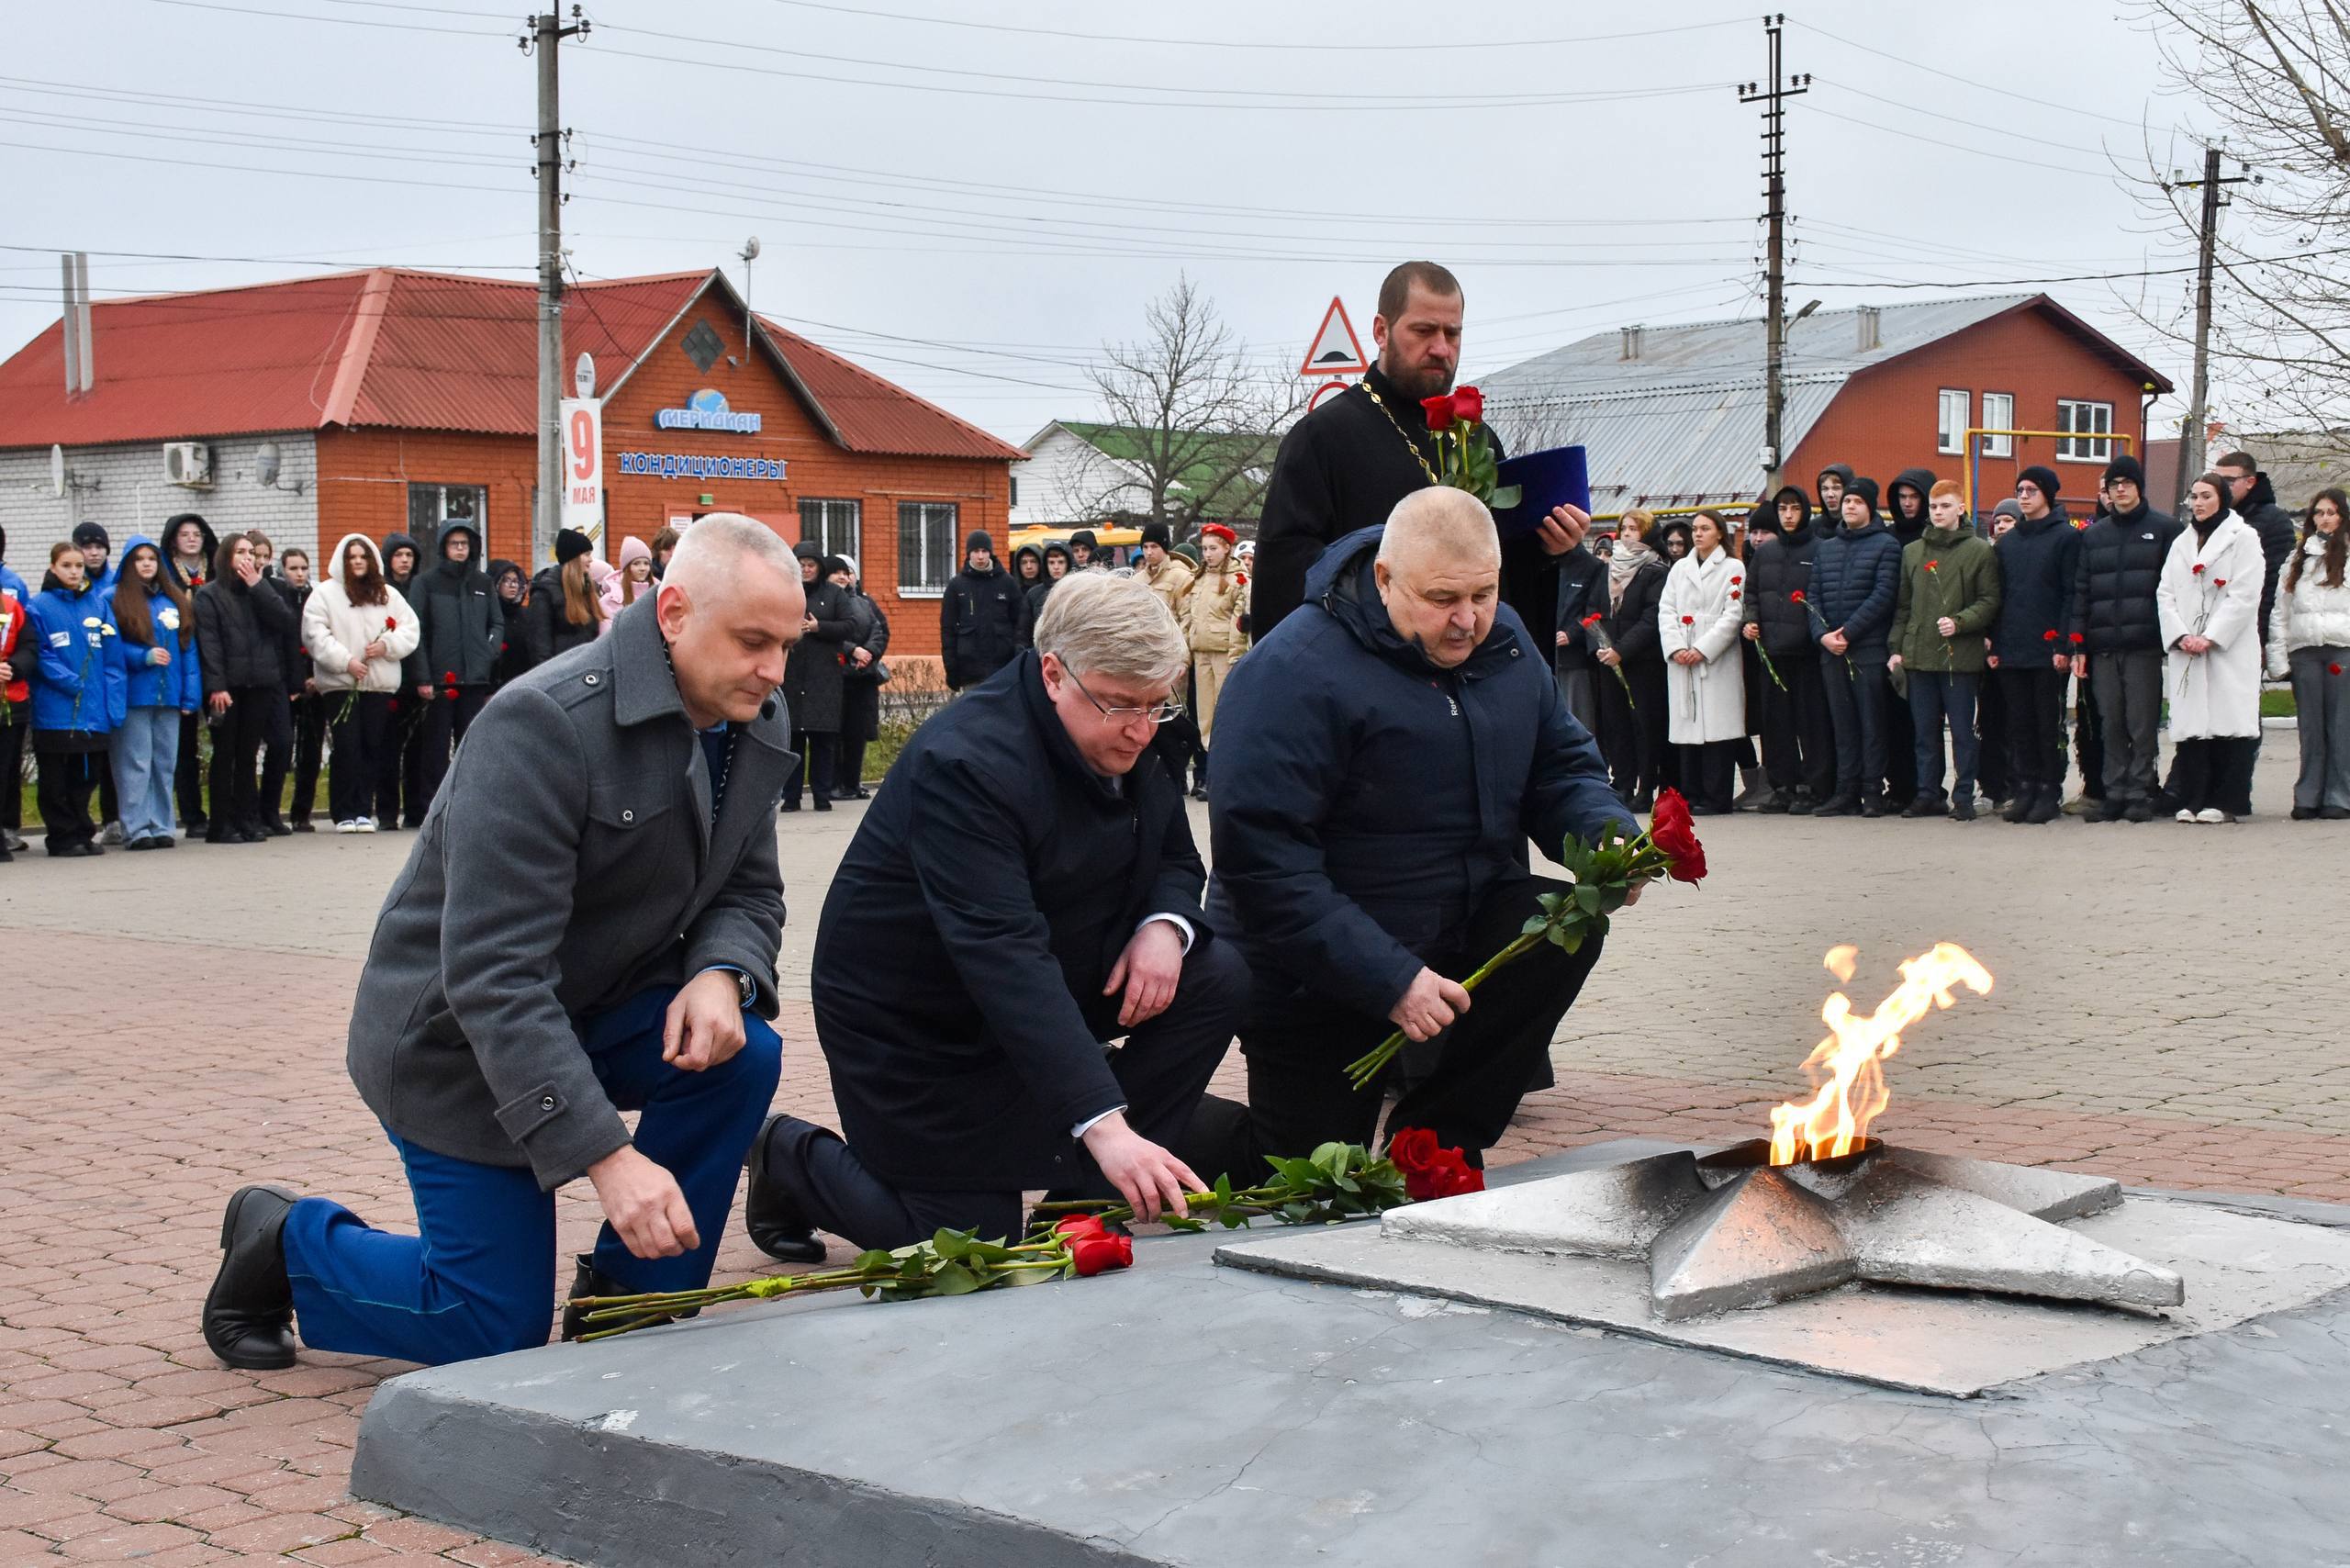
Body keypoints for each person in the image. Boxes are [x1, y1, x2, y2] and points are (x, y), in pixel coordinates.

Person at [203, 515, 801, 1370]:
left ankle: (635, 1298)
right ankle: (286, 1242)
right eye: (753, 641)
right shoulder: (544, 724)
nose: (775, 671)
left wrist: (720, 972)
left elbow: (748, 888)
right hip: (459, 1048)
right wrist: (607, 1157)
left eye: (787, 642)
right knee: (489, 1326)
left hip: (592, 1010)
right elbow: (492, 977)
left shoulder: (755, 716)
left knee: (743, 1053)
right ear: (672, 612)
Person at [739, 569, 1239, 1259]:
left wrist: (1162, 928)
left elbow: (1177, 861)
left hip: (1049, 977)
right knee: (967, 1243)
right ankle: (787, 1155)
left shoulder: (1136, 727)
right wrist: (1104, 1120)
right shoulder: (967, 763)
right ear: (1055, 673)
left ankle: (1089, 1185)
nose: (1141, 731)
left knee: (1215, 972)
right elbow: (1003, 953)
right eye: (1122, 705)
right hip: (922, 1026)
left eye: (1158, 706)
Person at [1206, 487, 1632, 1168]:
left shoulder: (1507, 641)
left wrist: (1602, 832)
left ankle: (1433, 1142)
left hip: (1459, 920)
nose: (1468, 622)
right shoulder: (1291, 672)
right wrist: (1388, 978)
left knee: (1562, 929)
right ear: (1383, 578)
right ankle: (1147, 1132)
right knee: (1305, 1175)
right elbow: (1262, 864)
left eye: (1483, 594)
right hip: (1316, 969)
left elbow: (1559, 764)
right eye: (1442, 601)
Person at [1253, 261, 1585, 643]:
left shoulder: (1477, 439)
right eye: (1424, 331)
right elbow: (1287, 579)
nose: (1441, 348)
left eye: (1453, 333)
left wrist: (1546, 549)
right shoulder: (1322, 437)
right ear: (1381, 331)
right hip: (1368, 675)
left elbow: (1501, 572)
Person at [2071, 454, 2183, 823]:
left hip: (2144, 644)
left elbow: (2175, 588)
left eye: (2127, 483)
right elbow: (2082, 591)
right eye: (2113, 484)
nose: (2120, 489)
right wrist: (2078, 644)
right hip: (2102, 645)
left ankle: (2140, 791)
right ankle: (2114, 791)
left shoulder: (2166, 529)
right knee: (2111, 722)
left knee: (2142, 721)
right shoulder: (2093, 535)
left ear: (2138, 487)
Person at [1888, 481, 2000, 821]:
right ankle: (1927, 794)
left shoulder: (1980, 551)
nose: (1938, 512)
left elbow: (1990, 599)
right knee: (1924, 733)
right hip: (1919, 654)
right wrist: (1896, 648)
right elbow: (1903, 607)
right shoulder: (1912, 552)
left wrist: (1961, 622)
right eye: (1934, 507)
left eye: (1945, 506)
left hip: (1959, 657)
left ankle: (1963, 794)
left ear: (1961, 508)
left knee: (1963, 731)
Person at [2158, 474, 2266, 823]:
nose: (2199, 503)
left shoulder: (2244, 537)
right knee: (2193, 725)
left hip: (2227, 649)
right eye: (2194, 497)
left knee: (2227, 721)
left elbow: (2246, 594)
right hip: (2187, 647)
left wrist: (2212, 636)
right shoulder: (2182, 542)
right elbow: (2166, 593)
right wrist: (2181, 634)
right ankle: (2193, 797)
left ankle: (2225, 801)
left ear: (2222, 498)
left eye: (2206, 496)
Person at [305, 535, 420, 834]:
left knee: (372, 746)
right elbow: (315, 635)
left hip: (378, 683)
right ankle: (344, 810)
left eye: (362, 556)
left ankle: (362, 810)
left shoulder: (388, 594)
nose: (357, 561)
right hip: (342, 683)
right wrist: (346, 662)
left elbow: (410, 629)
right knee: (347, 746)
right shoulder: (325, 594)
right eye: (352, 557)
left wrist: (387, 645)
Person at [1988, 467, 2080, 825]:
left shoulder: (2065, 539)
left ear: (2048, 495)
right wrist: (1994, 642)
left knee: (2047, 722)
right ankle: (2024, 786)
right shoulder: (2008, 543)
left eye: (2032, 490)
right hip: (2012, 645)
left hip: (2048, 649)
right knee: (2018, 723)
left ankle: (2048, 788)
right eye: (2020, 490)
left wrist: (2064, 642)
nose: (2024, 496)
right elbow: (2000, 595)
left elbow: (2071, 593)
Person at [192, 533, 293, 845]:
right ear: (226, 557)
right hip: (229, 687)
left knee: (248, 756)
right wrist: (216, 686)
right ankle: (221, 824)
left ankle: (248, 820)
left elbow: (285, 622)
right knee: (226, 755)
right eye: (240, 552)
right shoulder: (209, 595)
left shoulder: (261, 590)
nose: (248, 558)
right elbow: (209, 643)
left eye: (251, 552)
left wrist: (257, 586)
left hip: (260, 683)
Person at [1810, 476, 1899, 816]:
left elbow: (1883, 595)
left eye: (1857, 502)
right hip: (1831, 651)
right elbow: (1813, 596)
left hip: (1868, 649)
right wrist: (1822, 635)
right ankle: (1846, 791)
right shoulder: (1827, 547)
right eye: (1846, 501)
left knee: (1872, 724)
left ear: (1870, 507)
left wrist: (1847, 632)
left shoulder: (1886, 545)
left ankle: (1872, 791)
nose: (1849, 506)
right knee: (1842, 724)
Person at [26, 543, 122, 857]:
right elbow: (39, 653)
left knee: (87, 774)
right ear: (53, 568)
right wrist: (70, 681)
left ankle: (83, 831)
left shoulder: (97, 605)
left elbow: (112, 656)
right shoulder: (38, 606)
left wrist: (111, 699)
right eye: (66, 565)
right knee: (56, 778)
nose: (74, 571)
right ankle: (61, 836)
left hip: (93, 710)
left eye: (78, 566)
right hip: (56, 709)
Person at [108, 537, 202, 850]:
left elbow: (187, 650)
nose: (146, 564)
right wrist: (141, 657)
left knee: (164, 762)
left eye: (151, 558)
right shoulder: (114, 598)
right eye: (139, 559)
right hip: (135, 696)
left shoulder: (173, 599)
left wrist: (191, 695)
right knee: (135, 762)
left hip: (169, 696)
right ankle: (136, 827)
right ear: (127, 565)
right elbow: (109, 648)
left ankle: (162, 824)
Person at [1744, 486, 1832, 813]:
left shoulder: (1820, 549)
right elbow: (1751, 593)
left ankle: (1814, 786)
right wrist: (1751, 621)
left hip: (1807, 653)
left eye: (1795, 508)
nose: (1789, 515)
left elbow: (1823, 597)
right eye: (1783, 509)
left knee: (1811, 723)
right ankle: (1782, 786)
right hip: (1771, 652)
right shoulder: (1766, 553)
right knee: (1775, 724)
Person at [409, 520, 503, 812]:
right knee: (435, 749)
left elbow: (496, 623)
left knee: (472, 746)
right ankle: (432, 807)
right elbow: (418, 631)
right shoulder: (425, 583)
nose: (460, 549)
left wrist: (487, 652)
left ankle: (468, 805)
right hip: (439, 681)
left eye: (465, 544)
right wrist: (423, 677)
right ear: (443, 547)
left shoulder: (483, 583)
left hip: (474, 679)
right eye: (454, 544)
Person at [1658, 510, 1747, 813]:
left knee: (1716, 729)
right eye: (1695, 528)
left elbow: (1732, 615)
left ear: (1719, 533)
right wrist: (1676, 647)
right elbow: (1666, 609)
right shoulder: (1679, 569)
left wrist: (1702, 647)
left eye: (1705, 528)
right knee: (1688, 726)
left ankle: (1717, 796)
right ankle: (1691, 794)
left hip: (1715, 659)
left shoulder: (1733, 568)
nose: (1697, 534)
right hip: (1682, 657)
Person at [2269, 488, 2350, 819]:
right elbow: (2281, 611)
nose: (2325, 518)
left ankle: (2339, 796)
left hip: (2342, 652)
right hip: (2305, 652)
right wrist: (2278, 658)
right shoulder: (2297, 559)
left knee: (2341, 727)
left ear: (2343, 517)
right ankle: (2308, 795)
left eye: (2331, 512)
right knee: (2311, 729)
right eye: (2319, 512)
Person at [1591, 512, 1671, 809]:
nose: (1626, 534)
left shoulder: (1655, 571)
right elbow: (1592, 609)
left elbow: (1652, 618)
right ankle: (1622, 783)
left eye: (1634, 529)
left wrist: (1622, 650)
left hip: (1643, 662)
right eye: (1623, 528)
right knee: (1616, 725)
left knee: (1644, 725)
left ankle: (1645, 786)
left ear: (1648, 534)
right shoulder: (1607, 569)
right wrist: (1599, 645)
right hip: (1608, 660)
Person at [1880, 467, 1938, 807]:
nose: (1907, 504)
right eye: (1901, 497)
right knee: (1893, 721)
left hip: (1928, 641)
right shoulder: (1889, 538)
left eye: (1914, 497)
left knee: (1925, 723)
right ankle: (1898, 786)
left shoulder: (1934, 538)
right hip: (1892, 641)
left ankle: (1927, 788)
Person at [781, 544, 854, 812]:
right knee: (793, 741)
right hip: (791, 675)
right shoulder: (785, 591)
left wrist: (818, 627)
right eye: (801, 564)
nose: (806, 569)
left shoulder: (834, 594)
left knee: (823, 741)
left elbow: (849, 625)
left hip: (824, 677)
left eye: (811, 564)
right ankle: (791, 797)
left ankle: (822, 796)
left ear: (819, 567)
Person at [1183, 524, 1250, 801]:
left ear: (1226, 548)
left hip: (1224, 654)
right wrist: (1184, 650)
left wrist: (1236, 657)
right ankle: (1211, 775)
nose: (1207, 554)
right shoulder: (1199, 579)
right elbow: (1190, 617)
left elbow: (1240, 623)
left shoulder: (1238, 579)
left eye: (1213, 548)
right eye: (1204, 549)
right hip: (1201, 654)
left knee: (1225, 716)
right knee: (1204, 720)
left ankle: (1229, 776)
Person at [2214, 450, 2299, 657]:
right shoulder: (2214, 517)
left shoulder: (2274, 520)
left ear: (2250, 481)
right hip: (2213, 623)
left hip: (2250, 626)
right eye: (2218, 480)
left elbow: (2274, 582)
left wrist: (2262, 634)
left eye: (2229, 481)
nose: (2221, 487)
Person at [273, 547, 326, 831]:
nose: (300, 574)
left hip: (316, 683)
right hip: (286, 684)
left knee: (311, 751)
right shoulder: (278, 597)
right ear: (283, 570)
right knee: (282, 748)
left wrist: (316, 676)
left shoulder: (316, 598)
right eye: (293, 568)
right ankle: (271, 810)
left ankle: (301, 812)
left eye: (304, 568)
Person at [833, 554, 889, 801]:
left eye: (849, 572)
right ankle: (833, 784)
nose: (845, 576)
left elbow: (880, 630)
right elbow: (827, 634)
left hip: (863, 677)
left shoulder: (866, 603)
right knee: (834, 734)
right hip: (836, 678)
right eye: (839, 572)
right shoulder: (825, 603)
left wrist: (868, 653)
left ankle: (853, 783)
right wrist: (852, 650)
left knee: (857, 733)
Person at [939, 530, 1025, 692]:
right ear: (968, 554)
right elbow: (947, 630)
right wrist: (951, 667)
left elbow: (1020, 624)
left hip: (1003, 668)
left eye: (984, 551)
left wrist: (1017, 654)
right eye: (976, 551)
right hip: (970, 671)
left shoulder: (1007, 583)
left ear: (990, 554)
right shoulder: (956, 586)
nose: (980, 556)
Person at [522, 529, 604, 673]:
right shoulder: (545, 591)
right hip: (559, 674)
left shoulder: (588, 588)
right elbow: (540, 643)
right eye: (586, 555)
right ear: (573, 558)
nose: (591, 560)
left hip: (584, 671)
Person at [0, 571, 25, 860]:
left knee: (6, 770)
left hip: (10, 701)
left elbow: (30, 646)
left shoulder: (10, 606)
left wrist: (14, 667)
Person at [487, 558, 532, 687]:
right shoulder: (488, 616)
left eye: (516, 581)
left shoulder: (526, 614)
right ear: (496, 583)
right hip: (497, 687)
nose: (513, 585)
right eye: (506, 580)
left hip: (524, 684)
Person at [1025, 540, 1072, 632]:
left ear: (1068, 564)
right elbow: (1024, 629)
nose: (1056, 567)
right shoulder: (1034, 594)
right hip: (1041, 643)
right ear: (1045, 565)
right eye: (1051, 562)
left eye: (1061, 562)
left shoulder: (1077, 590)